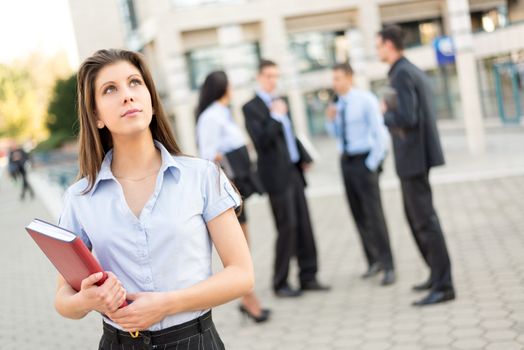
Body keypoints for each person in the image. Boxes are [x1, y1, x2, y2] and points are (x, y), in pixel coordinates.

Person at [54, 49, 254, 349]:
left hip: (194, 341)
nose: (127, 95)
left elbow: (242, 275)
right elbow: (63, 300)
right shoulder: (80, 197)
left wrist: (167, 304)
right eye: (110, 89)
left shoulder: (202, 176)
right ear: (96, 116)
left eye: (135, 83)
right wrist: (87, 299)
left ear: (150, 97)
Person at [376, 25, 455, 306]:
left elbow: (407, 118)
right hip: (416, 158)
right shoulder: (408, 70)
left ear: (389, 44)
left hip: (413, 159)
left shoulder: (401, 73)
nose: (377, 51)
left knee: (425, 221)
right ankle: (436, 276)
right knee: (417, 219)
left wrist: (385, 114)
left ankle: (444, 285)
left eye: (378, 45)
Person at [242, 59, 330, 298]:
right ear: (259, 77)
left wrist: (302, 156)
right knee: (287, 226)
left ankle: (308, 276)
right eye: (269, 76)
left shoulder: (280, 102)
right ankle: (280, 282)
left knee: (304, 224)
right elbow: (262, 141)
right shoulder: (251, 108)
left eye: (276, 76)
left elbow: (289, 136)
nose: (273, 81)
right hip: (275, 177)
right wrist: (275, 117)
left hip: (294, 171)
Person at [195, 70, 270, 323]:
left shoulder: (222, 113)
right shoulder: (211, 117)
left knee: (243, 245)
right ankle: (249, 301)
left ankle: (249, 300)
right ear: (223, 88)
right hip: (228, 186)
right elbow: (207, 154)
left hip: (237, 185)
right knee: (239, 248)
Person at [326, 63, 395, 286]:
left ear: (349, 78)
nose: (334, 83)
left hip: (364, 161)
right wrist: (330, 119)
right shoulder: (337, 104)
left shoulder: (365, 100)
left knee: (374, 215)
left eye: (337, 78)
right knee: (358, 214)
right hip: (346, 162)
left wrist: (371, 164)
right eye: (333, 79)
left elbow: (380, 133)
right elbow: (335, 134)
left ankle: (388, 265)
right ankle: (373, 260)